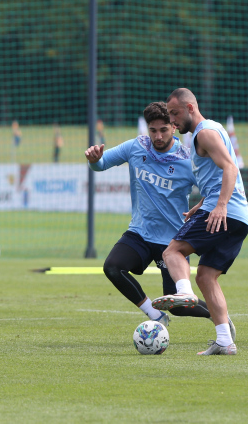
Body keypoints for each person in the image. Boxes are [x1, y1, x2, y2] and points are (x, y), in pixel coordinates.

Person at [86, 102, 215, 327]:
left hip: (172, 243)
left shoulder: (188, 160)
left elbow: (214, 187)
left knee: (179, 307)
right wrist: (95, 159)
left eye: (163, 130)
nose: (157, 136)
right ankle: (155, 315)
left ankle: (219, 317)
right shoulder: (136, 147)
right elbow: (102, 164)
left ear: (174, 127)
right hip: (140, 233)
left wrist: (200, 206)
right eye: (153, 130)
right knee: (113, 267)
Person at [152, 88, 248, 356]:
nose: (172, 121)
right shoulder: (212, 129)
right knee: (206, 276)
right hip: (239, 217)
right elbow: (219, 175)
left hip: (224, 212)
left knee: (172, 251)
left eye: (174, 113)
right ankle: (224, 341)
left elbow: (230, 167)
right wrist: (202, 203)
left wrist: (218, 206)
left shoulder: (204, 133)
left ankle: (184, 293)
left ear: (190, 108)